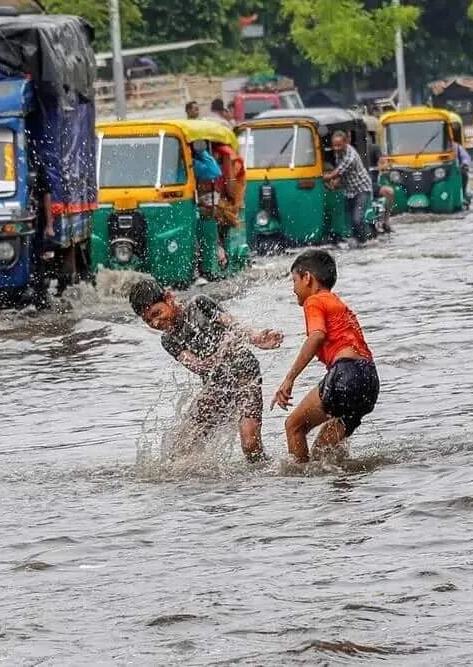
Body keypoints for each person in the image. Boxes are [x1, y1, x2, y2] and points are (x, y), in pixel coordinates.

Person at [128, 278, 283, 463]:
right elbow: (199, 366)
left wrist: (257, 338)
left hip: (245, 376)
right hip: (216, 386)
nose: (155, 322)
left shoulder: (199, 305)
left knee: (250, 446)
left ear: (169, 298)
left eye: (156, 313)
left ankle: (269, 474)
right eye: (148, 320)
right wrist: (221, 353)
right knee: (180, 449)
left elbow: (234, 326)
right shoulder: (168, 340)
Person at [271, 250, 379, 464]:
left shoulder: (315, 300)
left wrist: (289, 379)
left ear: (307, 278)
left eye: (294, 280)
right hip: (369, 380)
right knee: (324, 456)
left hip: (346, 373)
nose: (293, 289)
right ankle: (342, 492)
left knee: (294, 426)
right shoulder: (337, 303)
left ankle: (300, 488)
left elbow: (317, 336)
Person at [323, 130, 372, 246]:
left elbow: (338, 171)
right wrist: (334, 183)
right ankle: (356, 241)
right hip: (350, 191)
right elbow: (342, 175)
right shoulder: (338, 153)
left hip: (361, 189)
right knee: (350, 220)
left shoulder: (350, 156)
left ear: (345, 143)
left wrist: (324, 177)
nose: (336, 148)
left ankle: (364, 242)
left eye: (339, 145)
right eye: (334, 145)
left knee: (357, 218)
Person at [211, 141, 245, 268]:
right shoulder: (201, 159)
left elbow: (232, 193)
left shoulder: (231, 159)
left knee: (217, 215)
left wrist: (227, 165)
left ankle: (221, 253)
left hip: (227, 205)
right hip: (207, 203)